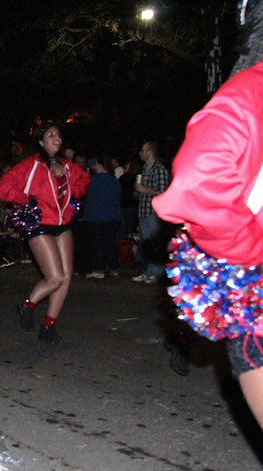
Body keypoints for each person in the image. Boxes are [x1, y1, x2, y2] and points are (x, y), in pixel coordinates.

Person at [152, 0, 263, 429]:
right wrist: (251, 248)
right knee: (60, 275)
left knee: (63, 277)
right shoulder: (250, 91)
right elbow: (196, 184)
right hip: (251, 290)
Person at [0, 121, 90, 344]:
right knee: (55, 277)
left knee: (66, 277)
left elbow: (84, 181)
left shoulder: (66, 166)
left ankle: (49, 325)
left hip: (62, 223)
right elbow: (3, 187)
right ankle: (27, 304)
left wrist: (74, 193)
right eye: (50, 135)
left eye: (58, 135)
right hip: (39, 224)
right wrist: (26, 200)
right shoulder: (30, 165)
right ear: (41, 141)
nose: (56, 138)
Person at [132, 141, 171, 283]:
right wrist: (139, 192)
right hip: (143, 210)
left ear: (150, 152)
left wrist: (145, 191)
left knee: (155, 243)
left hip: (153, 211)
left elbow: (163, 191)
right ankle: (149, 272)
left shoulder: (159, 169)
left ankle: (157, 273)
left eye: (143, 150)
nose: (140, 153)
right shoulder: (145, 169)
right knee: (146, 243)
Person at [83, 155, 122, 278]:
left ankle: (99, 269)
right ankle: (114, 268)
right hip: (113, 217)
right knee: (110, 243)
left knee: (98, 244)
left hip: (96, 217)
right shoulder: (114, 180)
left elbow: (86, 196)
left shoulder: (93, 181)